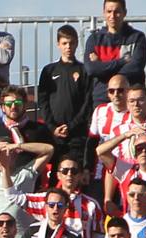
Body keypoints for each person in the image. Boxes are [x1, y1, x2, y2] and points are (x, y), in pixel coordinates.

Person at [37, 26, 90, 164]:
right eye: (64, 43)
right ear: (58, 44)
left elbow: (87, 103)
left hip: (76, 134)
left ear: (77, 43)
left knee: (74, 173)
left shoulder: (84, 70)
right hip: (54, 135)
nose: (68, 47)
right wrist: (52, 127)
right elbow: (43, 101)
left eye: (71, 43)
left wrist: (71, 126)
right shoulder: (49, 71)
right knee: (55, 174)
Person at [83, 0, 146, 108]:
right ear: (104, 12)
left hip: (129, 101)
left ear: (124, 13)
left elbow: (135, 68)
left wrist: (101, 67)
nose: (112, 16)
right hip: (101, 100)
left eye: (117, 11)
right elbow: (91, 69)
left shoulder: (137, 37)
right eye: (109, 11)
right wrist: (122, 61)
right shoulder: (94, 39)